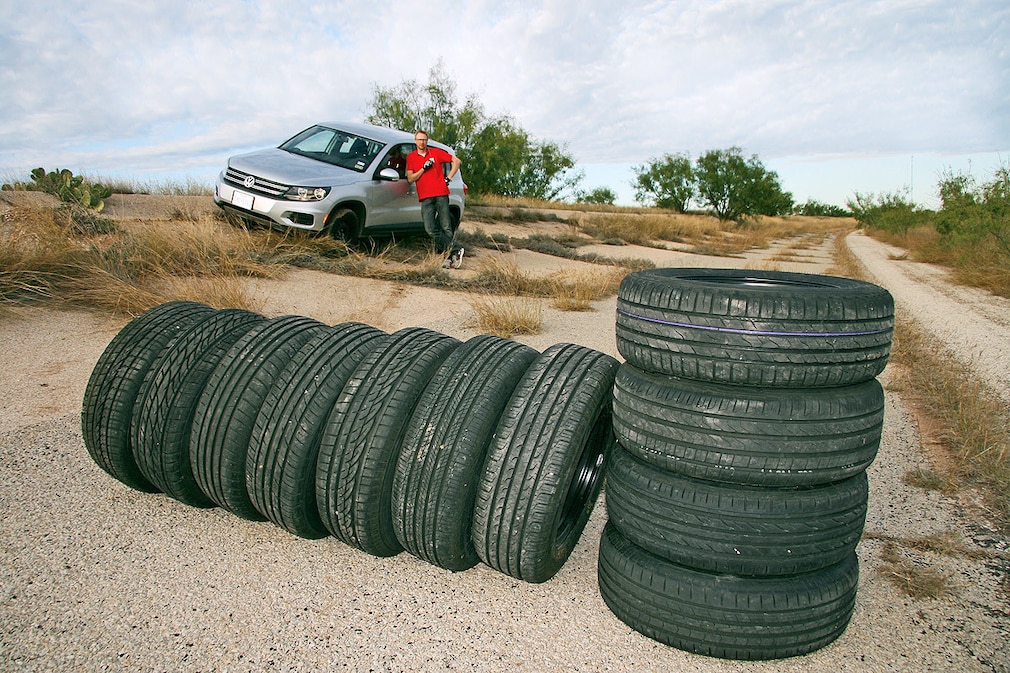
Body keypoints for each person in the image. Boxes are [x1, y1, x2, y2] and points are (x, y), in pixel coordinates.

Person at [406, 130, 464, 269]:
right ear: (415, 141)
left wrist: (448, 178)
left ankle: (449, 258)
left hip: (441, 193)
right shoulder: (411, 157)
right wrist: (423, 168)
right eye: (419, 140)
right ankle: (456, 249)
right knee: (430, 228)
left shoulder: (435, 153)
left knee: (446, 226)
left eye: (424, 140)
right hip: (425, 196)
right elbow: (410, 178)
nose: (422, 142)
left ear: (427, 141)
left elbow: (456, 161)